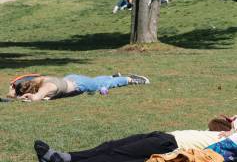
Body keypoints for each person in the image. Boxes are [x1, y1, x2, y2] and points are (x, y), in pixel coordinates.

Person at [33, 124, 237, 162]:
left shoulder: (234, 143)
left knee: (118, 155)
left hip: (169, 147)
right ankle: (67, 157)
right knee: (110, 145)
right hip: (164, 136)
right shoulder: (224, 133)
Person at [8, 73, 149, 101]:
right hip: (71, 78)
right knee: (95, 81)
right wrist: (13, 91)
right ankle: (113, 75)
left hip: (79, 84)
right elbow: (23, 86)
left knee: (103, 85)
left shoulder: (47, 88)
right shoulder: (40, 80)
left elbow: (36, 98)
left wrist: (28, 97)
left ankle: (130, 79)